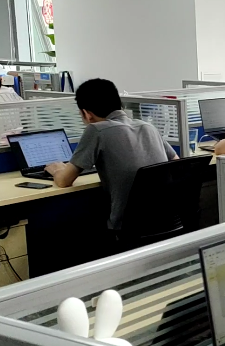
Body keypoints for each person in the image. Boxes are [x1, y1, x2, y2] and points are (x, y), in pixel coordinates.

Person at [45, 78, 178, 231]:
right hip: (170, 222)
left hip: (128, 228)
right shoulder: (148, 127)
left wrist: (57, 169)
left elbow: (64, 181)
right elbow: (177, 163)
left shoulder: (96, 130)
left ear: (87, 114)